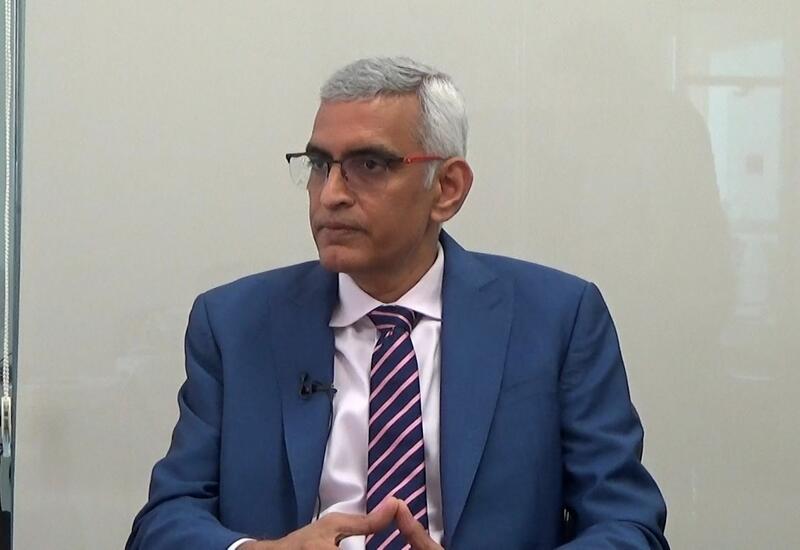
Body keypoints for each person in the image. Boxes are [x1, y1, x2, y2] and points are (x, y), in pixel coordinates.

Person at [127, 56, 669, 550]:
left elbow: (629, 526)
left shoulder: (557, 319)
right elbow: (164, 522)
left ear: (447, 188)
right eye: (319, 165)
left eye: (369, 165)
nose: (331, 194)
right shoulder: (233, 324)